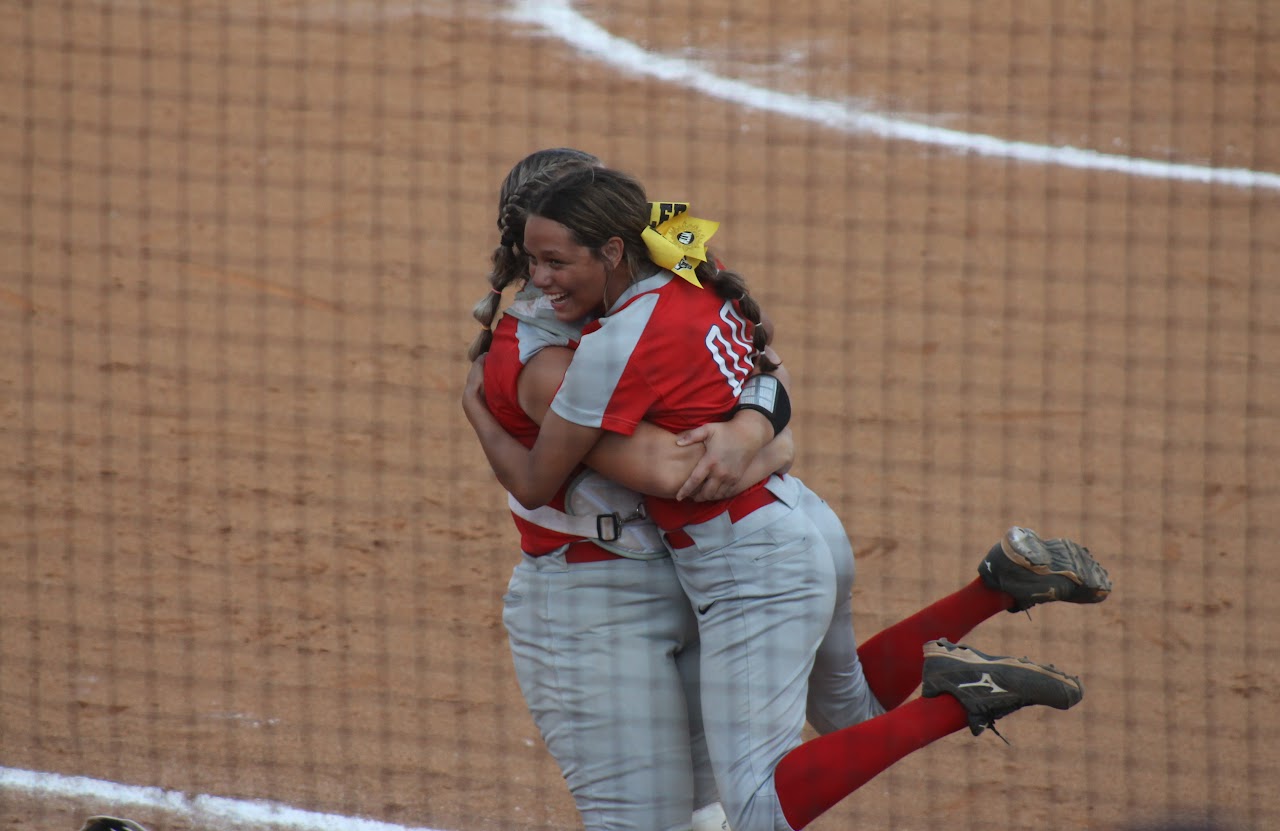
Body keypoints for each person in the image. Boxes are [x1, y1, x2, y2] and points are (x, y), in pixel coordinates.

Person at [462, 163, 1113, 831]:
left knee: (755, 812)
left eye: (558, 257)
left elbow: (665, 471)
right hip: (789, 523)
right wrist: (762, 437)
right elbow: (766, 373)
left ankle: (959, 696)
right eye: (539, 258)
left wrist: (747, 437)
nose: (545, 274)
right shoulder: (665, 267)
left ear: (609, 246)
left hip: (737, 561)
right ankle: (993, 589)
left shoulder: (608, 344)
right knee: (851, 715)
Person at [468, 148, 793, 831]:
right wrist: (758, 439)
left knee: (717, 816)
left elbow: (762, 363)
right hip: (594, 607)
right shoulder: (536, 358)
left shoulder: (660, 263)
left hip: (688, 580)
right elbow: (682, 472)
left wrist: (755, 427)